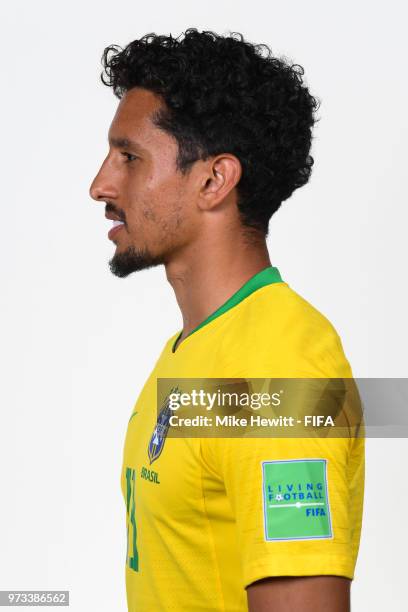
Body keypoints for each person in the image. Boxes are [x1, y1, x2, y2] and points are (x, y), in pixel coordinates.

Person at [90, 29, 364, 612]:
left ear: (214, 180)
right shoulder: (193, 349)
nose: (101, 185)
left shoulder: (280, 370)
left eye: (129, 158)